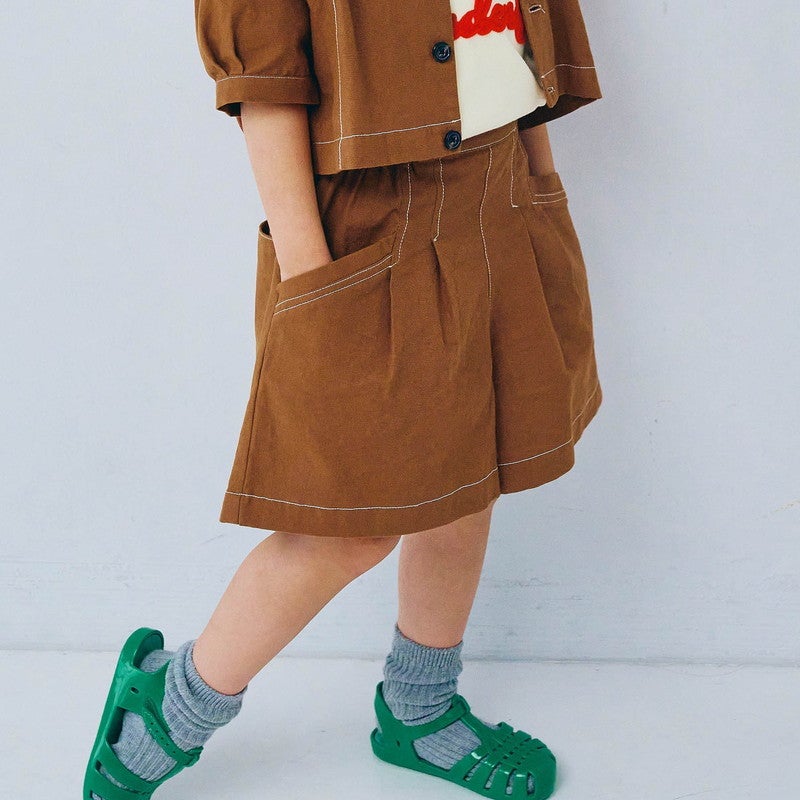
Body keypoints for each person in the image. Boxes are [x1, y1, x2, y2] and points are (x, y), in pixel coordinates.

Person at [83, 1, 604, 798]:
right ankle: (172, 705)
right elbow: (266, 91)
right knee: (345, 528)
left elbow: (520, 46)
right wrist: (314, 285)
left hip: (502, 199)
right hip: (369, 226)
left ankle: (420, 709)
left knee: (470, 485)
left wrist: (540, 183)